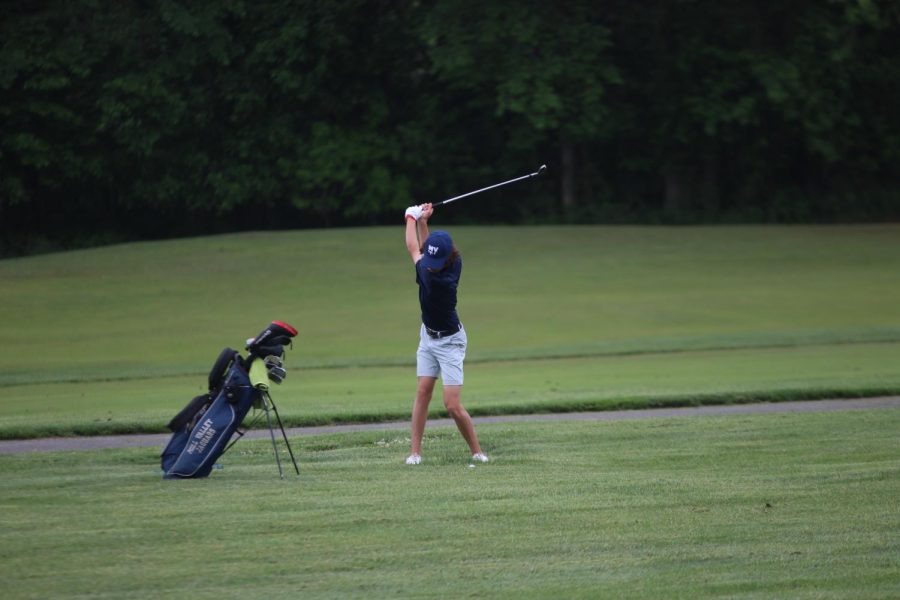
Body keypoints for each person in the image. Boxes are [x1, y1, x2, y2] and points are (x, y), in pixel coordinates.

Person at [403, 202, 488, 465]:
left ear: (447, 258)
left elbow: (413, 247)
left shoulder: (435, 279)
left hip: (450, 342)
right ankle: (415, 453)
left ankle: (477, 451)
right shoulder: (453, 261)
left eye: (435, 262)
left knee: (451, 404)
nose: (431, 265)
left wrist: (410, 217)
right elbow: (426, 249)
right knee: (423, 390)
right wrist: (424, 221)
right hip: (428, 337)